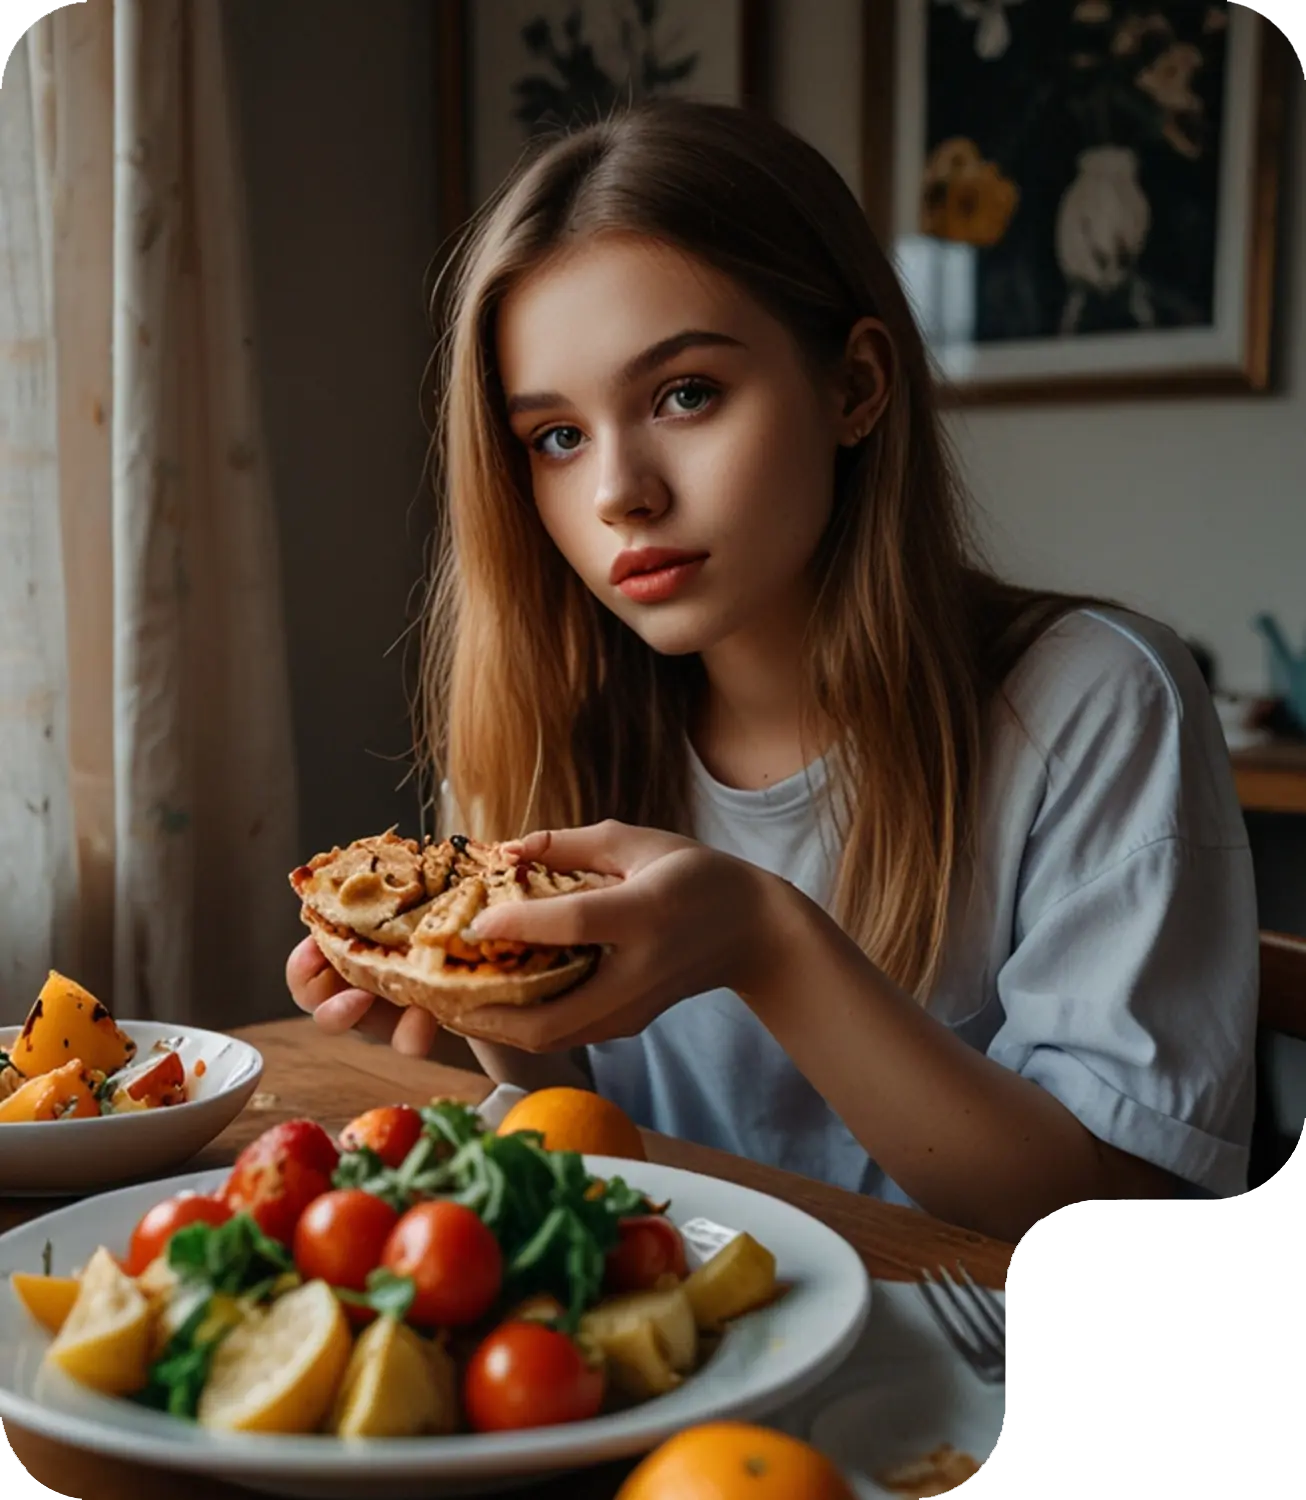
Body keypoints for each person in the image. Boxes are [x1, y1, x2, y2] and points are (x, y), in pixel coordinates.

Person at [287, 100, 1257, 1245]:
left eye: (684, 394)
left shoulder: (1094, 702)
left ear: (853, 388)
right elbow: (601, 1144)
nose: (618, 493)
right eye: (557, 436)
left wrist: (765, 943)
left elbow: (1104, 1195)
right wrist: (470, 1013)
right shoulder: (553, 722)